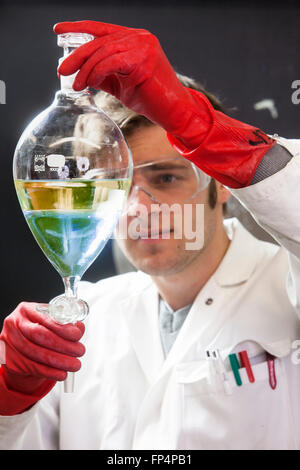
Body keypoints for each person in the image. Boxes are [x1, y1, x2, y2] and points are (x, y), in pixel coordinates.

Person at [0, 20, 300, 450]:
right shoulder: (86, 320)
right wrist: (11, 397)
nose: (140, 209)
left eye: (166, 177)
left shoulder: (286, 286)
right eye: (117, 184)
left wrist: (201, 127)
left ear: (222, 187)